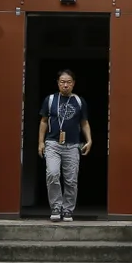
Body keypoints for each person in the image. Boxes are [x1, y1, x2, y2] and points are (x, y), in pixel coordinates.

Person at [37, 69, 92, 222]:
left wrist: (89, 140)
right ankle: (56, 207)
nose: (65, 85)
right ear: (58, 83)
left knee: (71, 180)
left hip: (73, 145)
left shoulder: (79, 101)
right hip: (53, 143)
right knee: (52, 174)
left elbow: (84, 123)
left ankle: (67, 210)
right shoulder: (50, 100)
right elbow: (43, 122)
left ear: (73, 84)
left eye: (68, 82)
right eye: (62, 82)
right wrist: (40, 142)